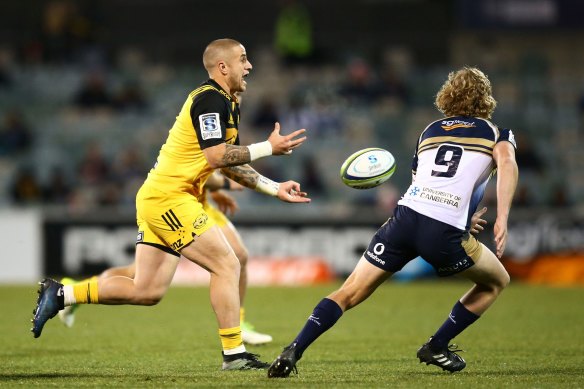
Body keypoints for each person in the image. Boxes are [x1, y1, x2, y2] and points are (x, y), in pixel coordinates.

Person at [31, 38, 311, 371]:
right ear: (223, 67)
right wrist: (268, 147)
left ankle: (61, 295)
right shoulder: (210, 100)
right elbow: (216, 155)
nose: (248, 66)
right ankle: (234, 354)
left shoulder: (227, 101)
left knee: (146, 290)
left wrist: (273, 187)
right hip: (170, 198)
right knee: (228, 264)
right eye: (243, 59)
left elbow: (230, 163)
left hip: (163, 197)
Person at [268, 66, 518, 377]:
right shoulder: (497, 133)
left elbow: (423, 183)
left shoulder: (429, 131)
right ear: (486, 99)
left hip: (404, 219)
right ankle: (437, 345)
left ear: (447, 95)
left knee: (347, 293)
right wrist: (502, 217)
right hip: (442, 231)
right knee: (497, 281)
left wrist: (462, 215)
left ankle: (293, 349)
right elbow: (506, 163)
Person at [58, 171, 274, 345]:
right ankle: (74, 291)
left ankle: (239, 323)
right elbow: (203, 158)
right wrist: (223, 184)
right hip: (178, 205)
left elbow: (211, 162)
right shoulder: (200, 121)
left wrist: (214, 189)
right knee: (140, 276)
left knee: (239, 255)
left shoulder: (219, 121)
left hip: (199, 202)